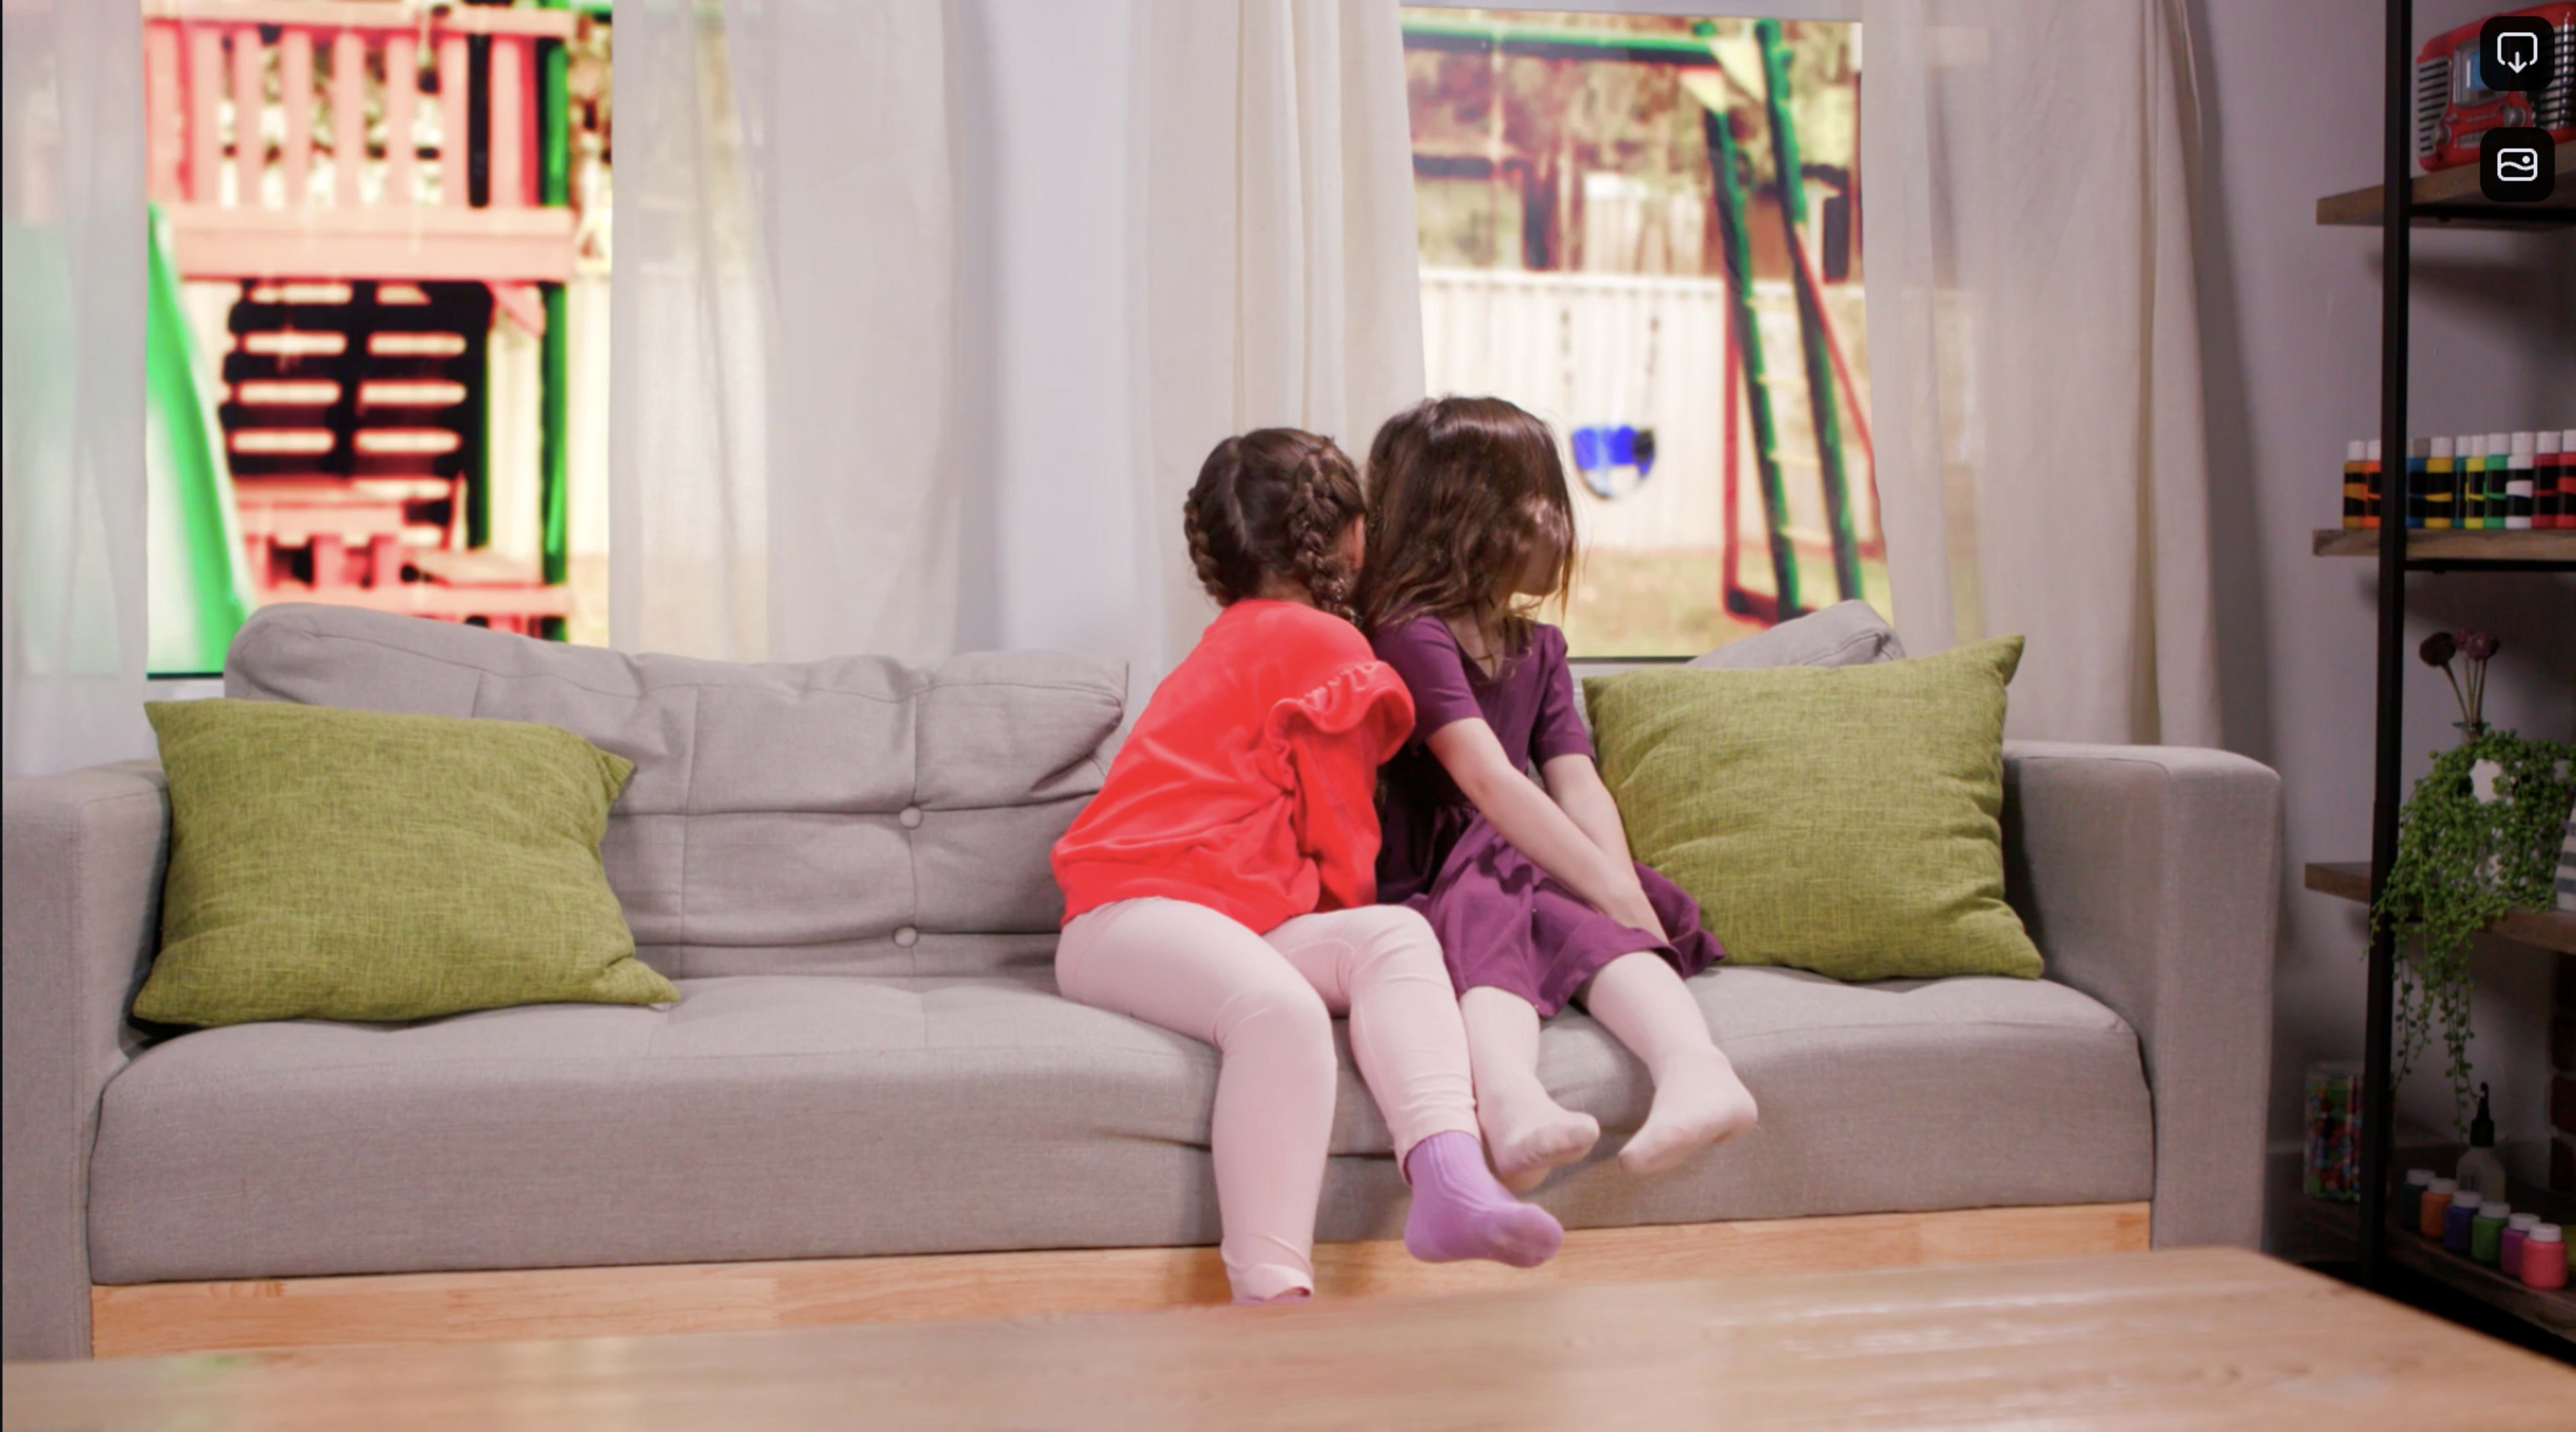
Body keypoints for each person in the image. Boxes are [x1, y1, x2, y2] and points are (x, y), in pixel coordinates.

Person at [1051, 427, 1564, 1305]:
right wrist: (1338, 940)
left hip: (1206, 921)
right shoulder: (1327, 645)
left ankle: (1449, 1175)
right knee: (1281, 1008)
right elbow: (1341, 833)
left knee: (1397, 937)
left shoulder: (1248, 631)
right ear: (1353, 535)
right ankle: (1273, 1292)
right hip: (1127, 914)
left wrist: (1350, 948)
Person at [1358, 397, 1759, 1193]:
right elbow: (1488, 779)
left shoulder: (1538, 647)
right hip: (1436, 872)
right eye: (1536, 503)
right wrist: (1607, 883)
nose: (1558, 524)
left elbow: (1576, 778)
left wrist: (1616, 886)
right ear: (1466, 519)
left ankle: (1696, 1068)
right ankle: (1507, 1098)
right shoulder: (1409, 631)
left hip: (1513, 854)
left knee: (1584, 918)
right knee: (1492, 902)